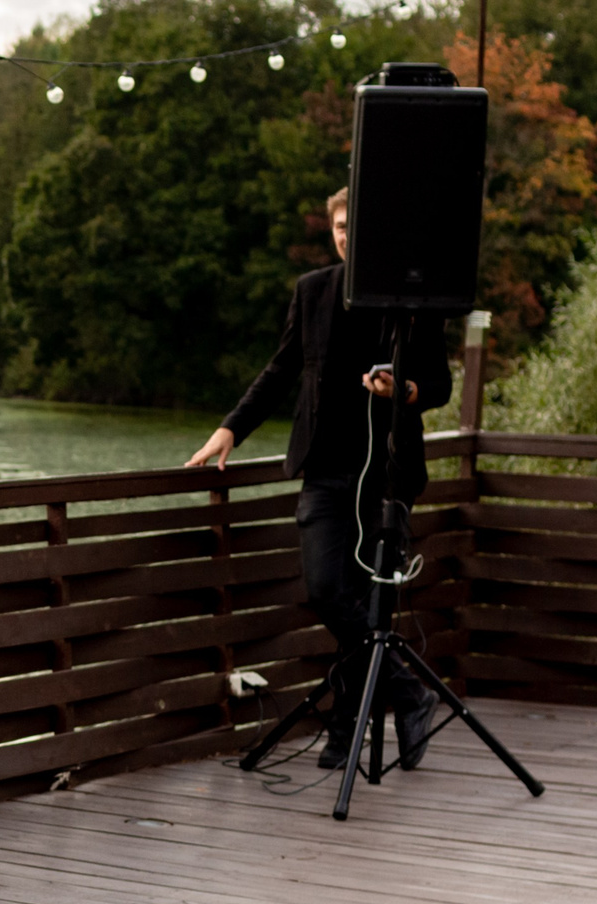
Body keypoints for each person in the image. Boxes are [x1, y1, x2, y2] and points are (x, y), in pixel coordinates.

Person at [190, 187, 451, 771]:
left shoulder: (413, 302)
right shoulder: (311, 291)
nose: (344, 237)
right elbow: (281, 367)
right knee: (328, 593)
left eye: (355, 228)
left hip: (387, 476)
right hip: (324, 472)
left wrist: (403, 391)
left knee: (365, 609)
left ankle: (342, 735)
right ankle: (410, 693)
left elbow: (438, 385)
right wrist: (232, 428)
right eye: (338, 227)